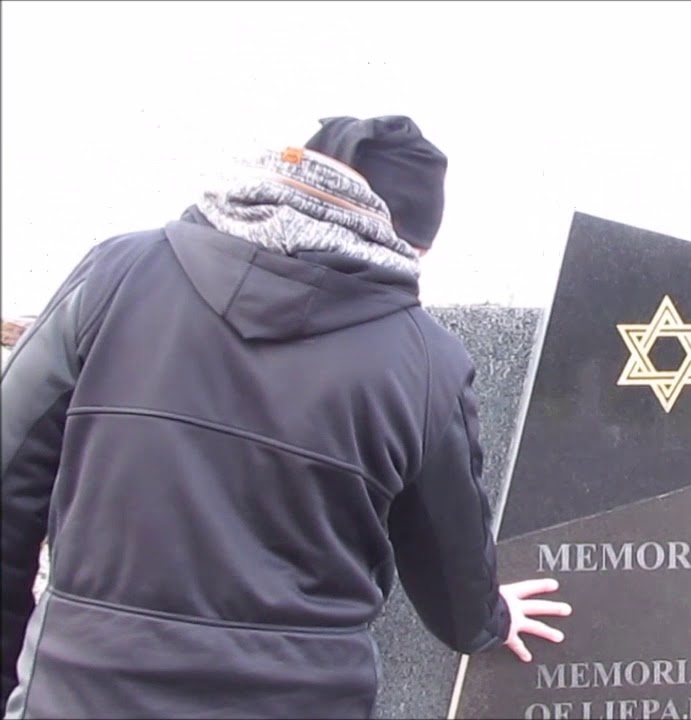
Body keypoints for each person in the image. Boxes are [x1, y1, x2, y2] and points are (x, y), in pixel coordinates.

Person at [0, 116, 570, 719]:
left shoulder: (117, 274)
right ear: (409, 243)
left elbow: (11, 479)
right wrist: (486, 621)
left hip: (81, 695)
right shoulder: (429, 362)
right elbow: (449, 563)